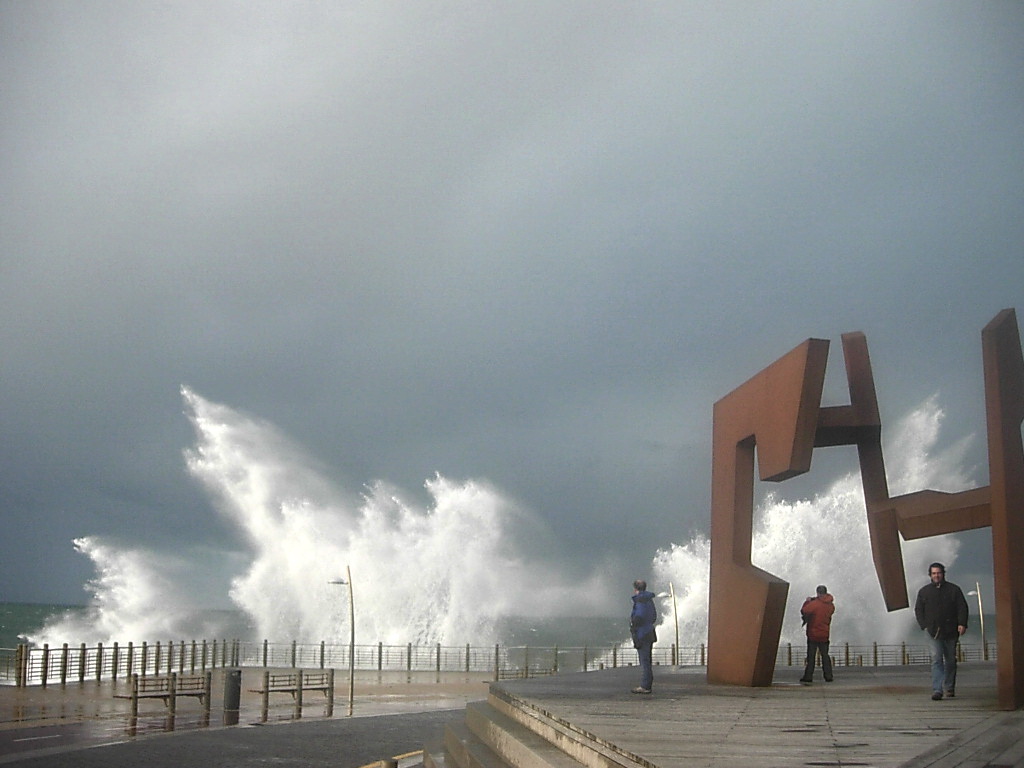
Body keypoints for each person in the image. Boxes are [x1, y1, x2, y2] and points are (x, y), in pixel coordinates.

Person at [914, 562, 968, 701]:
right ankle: (937, 690)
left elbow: (962, 607)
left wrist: (962, 623)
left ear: (943, 574)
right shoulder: (924, 591)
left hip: (950, 631)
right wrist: (924, 625)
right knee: (936, 659)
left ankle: (949, 687)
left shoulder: (954, 590)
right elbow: (918, 609)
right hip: (932, 631)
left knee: (950, 660)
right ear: (930, 575)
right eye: (934, 573)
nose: (936, 575)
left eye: (938, 573)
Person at [799, 585, 836, 684]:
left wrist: (808, 601)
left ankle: (808, 676)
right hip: (824, 634)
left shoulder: (815, 604)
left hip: (813, 634)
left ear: (818, 593)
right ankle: (828, 676)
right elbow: (828, 610)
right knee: (825, 656)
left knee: (811, 656)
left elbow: (804, 610)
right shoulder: (830, 605)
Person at [629, 579, 657, 694]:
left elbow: (639, 615)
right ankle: (647, 684)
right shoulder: (649, 600)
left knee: (644, 661)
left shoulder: (640, 600)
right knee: (648, 660)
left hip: (642, 633)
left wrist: (633, 624)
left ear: (636, 589)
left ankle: (645, 686)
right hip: (649, 631)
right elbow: (654, 616)